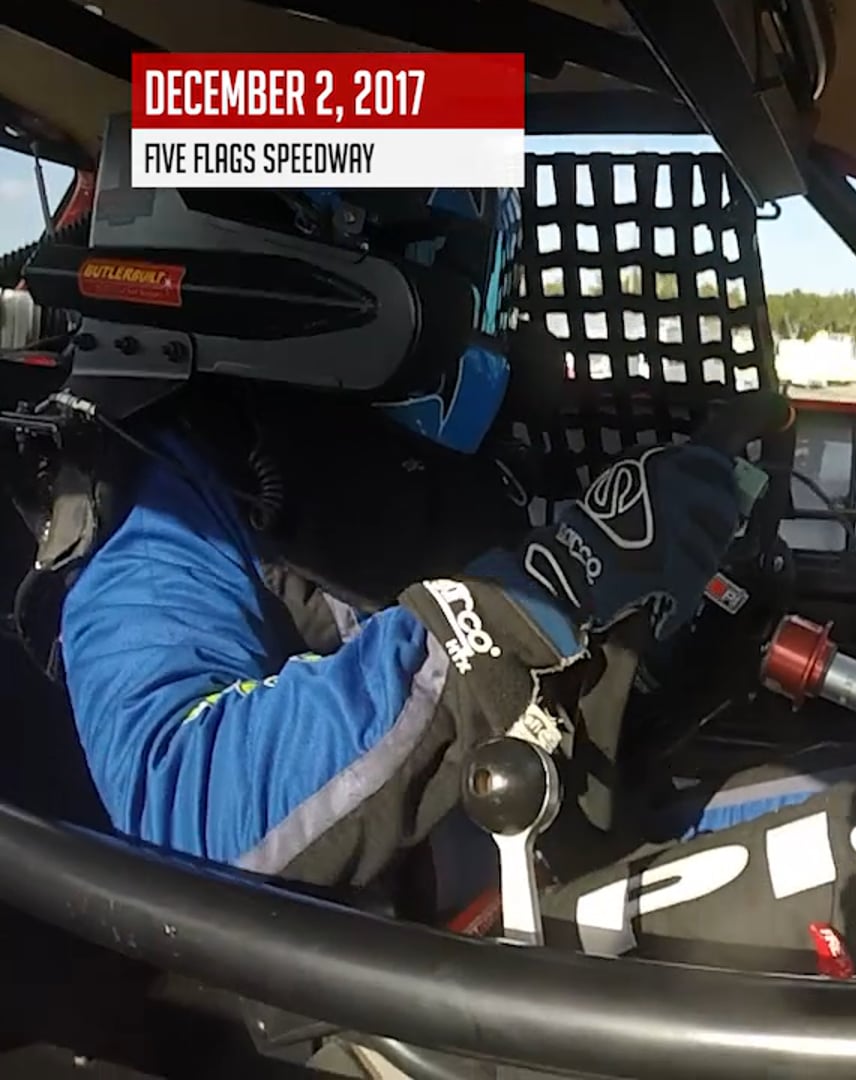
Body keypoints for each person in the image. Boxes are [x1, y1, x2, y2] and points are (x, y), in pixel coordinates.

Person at [30, 182, 750, 889]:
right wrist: (534, 599)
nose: (477, 316)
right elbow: (187, 802)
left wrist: (661, 648)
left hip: (528, 872)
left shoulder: (424, 467)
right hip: (363, 949)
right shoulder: (168, 490)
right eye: (457, 267)